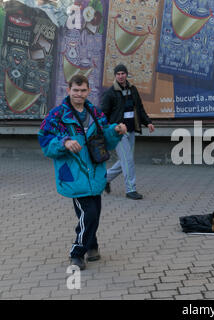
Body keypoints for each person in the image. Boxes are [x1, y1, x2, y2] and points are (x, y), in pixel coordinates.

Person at [38, 75, 128, 270]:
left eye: (83, 90)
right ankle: (77, 252)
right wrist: (64, 143)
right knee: (90, 214)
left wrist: (116, 130)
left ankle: (92, 245)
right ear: (68, 89)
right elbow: (45, 143)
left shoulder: (96, 113)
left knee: (93, 214)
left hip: (95, 173)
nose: (79, 94)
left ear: (88, 91)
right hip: (74, 175)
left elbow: (107, 141)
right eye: (75, 90)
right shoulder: (57, 115)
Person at [101, 64, 155, 200]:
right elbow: (103, 114)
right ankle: (131, 189)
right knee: (128, 160)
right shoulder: (110, 92)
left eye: (122, 73)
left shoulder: (133, 89)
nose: (120, 76)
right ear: (115, 76)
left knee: (125, 160)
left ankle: (104, 179)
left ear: (126, 74)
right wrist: (109, 130)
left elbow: (140, 108)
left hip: (131, 130)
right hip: (118, 132)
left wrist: (148, 122)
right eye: (118, 74)